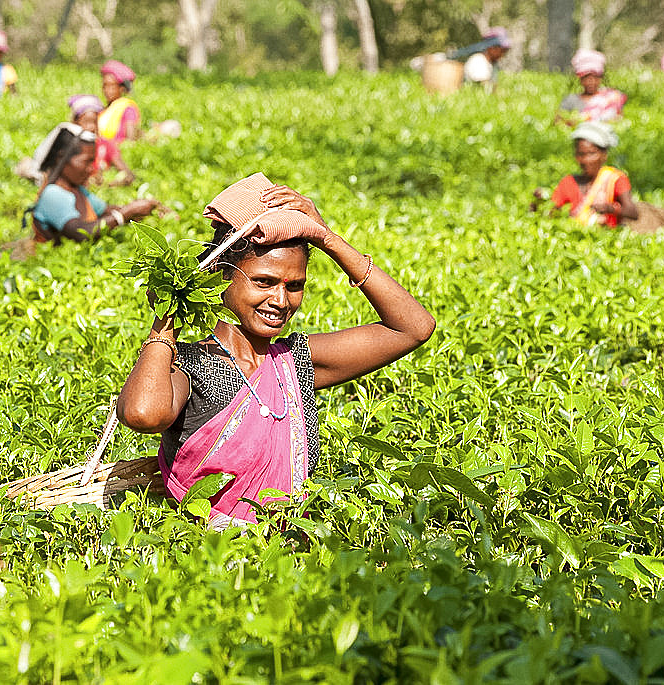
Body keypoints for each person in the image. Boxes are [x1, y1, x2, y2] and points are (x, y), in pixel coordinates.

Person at [116, 173, 436, 528]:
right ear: (223, 276)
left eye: (294, 285)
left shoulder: (293, 362)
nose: (281, 301)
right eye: (263, 282)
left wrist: (328, 238)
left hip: (292, 557)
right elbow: (143, 414)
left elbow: (413, 328)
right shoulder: (191, 366)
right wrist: (167, 317)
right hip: (212, 559)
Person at [25, 123, 157, 245]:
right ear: (62, 157)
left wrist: (143, 209)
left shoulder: (78, 191)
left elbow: (106, 211)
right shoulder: (53, 194)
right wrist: (125, 214)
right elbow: (80, 233)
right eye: (86, 161)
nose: (91, 169)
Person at [548, 122, 637, 227]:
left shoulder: (615, 179)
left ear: (604, 155)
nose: (585, 160)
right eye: (580, 154)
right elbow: (552, 212)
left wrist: (611, 209)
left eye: (591, 153)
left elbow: (632, 212)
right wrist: (539, 204)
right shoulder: (569, 182)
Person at [69, 94, 135, 186]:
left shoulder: (105, 145)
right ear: (75, 122)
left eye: (95, 122)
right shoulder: (69, 146)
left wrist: (108, 184)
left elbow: (128, 175)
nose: (91, 127)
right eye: (87, 122)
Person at [556, 49, 626, 125]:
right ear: (580, 79)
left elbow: (619, 120)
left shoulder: (612, 98)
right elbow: (558, 122)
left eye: (595, 77)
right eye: (586, 77)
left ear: (601, 78)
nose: (591, 81)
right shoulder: (570, 100)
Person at [98, 59, 141, 143]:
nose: (107, 90)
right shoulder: (103, 110)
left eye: (111, 86)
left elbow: (130, 140)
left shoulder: (127, 109)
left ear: (121, 88)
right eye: (104, 86)